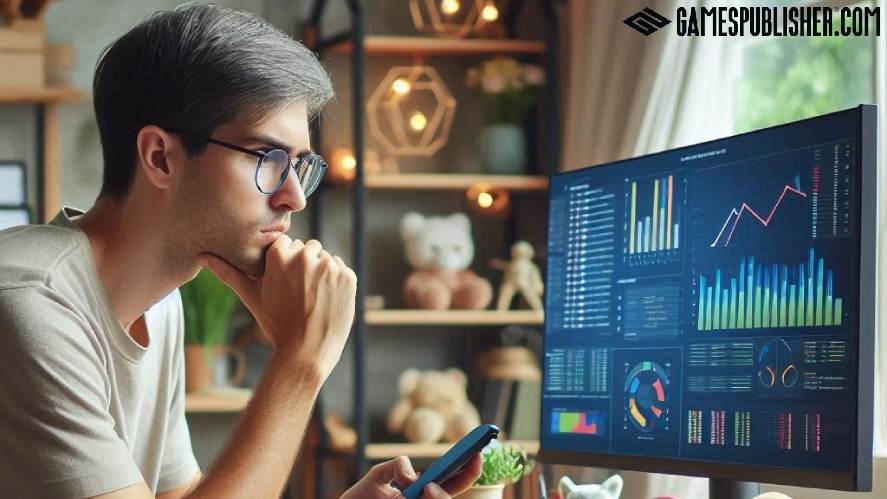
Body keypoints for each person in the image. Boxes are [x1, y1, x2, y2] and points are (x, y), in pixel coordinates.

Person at [0, 4, 481, 499]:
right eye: (268, 159)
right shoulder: (30, 304)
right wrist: (301, 361)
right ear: (161, 158)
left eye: (300, 166)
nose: (293, 196)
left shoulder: (160, 304)